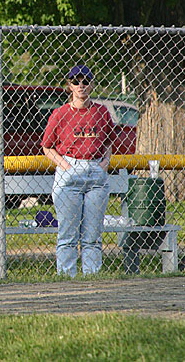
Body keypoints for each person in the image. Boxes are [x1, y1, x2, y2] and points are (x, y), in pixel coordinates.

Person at [41, 65, 116, 277]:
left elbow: (110, 141)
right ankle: (67, 277)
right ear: (69, 86)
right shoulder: (60, 114)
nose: (81, 85)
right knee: (68, 235)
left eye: (85, 81)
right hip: (70, 170)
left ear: (92, 83)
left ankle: (92, 276)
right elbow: (47, 146)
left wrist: (104, 163)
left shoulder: (101, 112)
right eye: (76, 81)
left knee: (92, 235)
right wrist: (65, 166)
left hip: (95, 171)